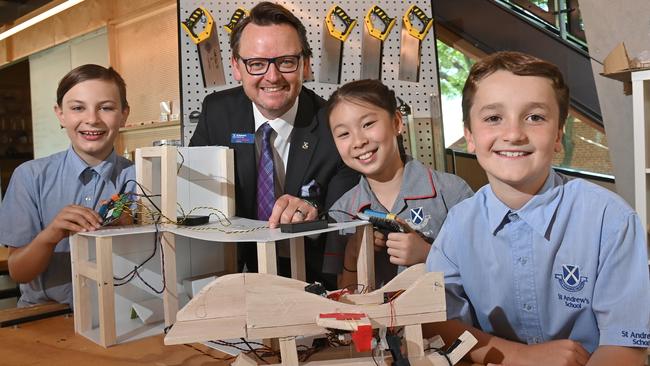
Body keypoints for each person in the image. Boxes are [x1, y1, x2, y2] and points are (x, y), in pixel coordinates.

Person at [425, 51, 650, 365]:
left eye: (535, 117)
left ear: (558, 135)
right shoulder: (459, 224)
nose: (514, 134)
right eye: (493, 118)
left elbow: (625, 347)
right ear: (470, 136)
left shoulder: (611, 220)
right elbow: (436, 323)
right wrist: (521, 356)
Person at [189, 2, 358, 286]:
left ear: (305, 64)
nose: (272, 76)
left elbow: (346, 214)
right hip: (232, 273)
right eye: (256, 64)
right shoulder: (217, 112)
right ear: (236, 67)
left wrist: (313, 211)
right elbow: (193, 190)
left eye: (286, 61)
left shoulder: (335, 125)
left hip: (313, 277)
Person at [0, 64, 136, 307]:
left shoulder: (143, 179)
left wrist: (134, 231)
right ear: (60, 114)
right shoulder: (29, 177)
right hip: (46, 316)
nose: (92, 119)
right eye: (77, 108)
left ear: (124, 114)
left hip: (122, 313)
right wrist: (50, 236)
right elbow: (19, 272)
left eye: (106, 108)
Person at [324, 79, 473, 288]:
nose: (358, 141)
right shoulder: (341, 213)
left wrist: (428, 255)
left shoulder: (451, 193)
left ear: (396, 123)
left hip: (449, 320)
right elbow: (344, 298)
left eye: (368, 124)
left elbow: (483, 275)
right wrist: (352, 258)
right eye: (343, 134)